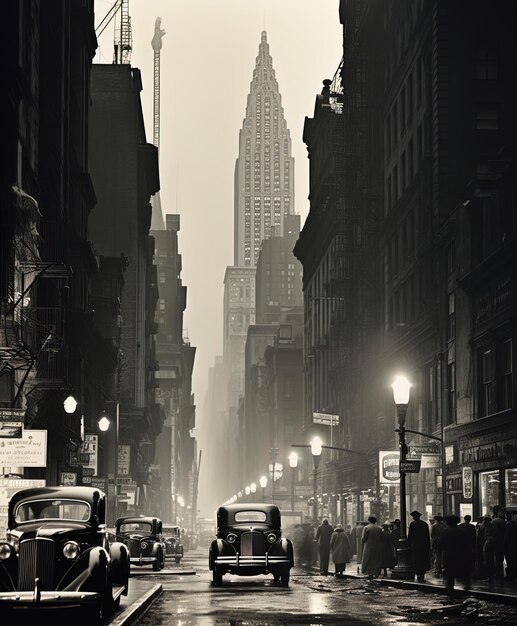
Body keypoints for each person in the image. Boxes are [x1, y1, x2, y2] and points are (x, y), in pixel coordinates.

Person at [437, 514, 471, 602]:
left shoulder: (445, 531)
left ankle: (451, 594)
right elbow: (467, 544)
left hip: (449, 556)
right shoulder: (462, 531)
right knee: (463, 572)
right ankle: (466, 592)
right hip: (461, 555)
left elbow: (440, 545)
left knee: (450, 575)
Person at [407, 510, 430, 581]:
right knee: (423, 559)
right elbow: (427, 536)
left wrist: (409, 544)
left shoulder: (412, 524)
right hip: (423, 545)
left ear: (414, 517)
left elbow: (410, 536)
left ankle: (417, 572)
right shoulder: (425, 524)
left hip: (415, 545)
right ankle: (422, 573)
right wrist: (428, 545)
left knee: (416, 559)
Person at [459, 514, 477, 579]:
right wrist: (474, 546)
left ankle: (462, 571)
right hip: (469, 545)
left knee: (462, 558)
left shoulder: (460, 526)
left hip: (461, 545)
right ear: (470, 519)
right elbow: (474, 537)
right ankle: (468, 572)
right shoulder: (472, 527)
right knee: (469, 559)